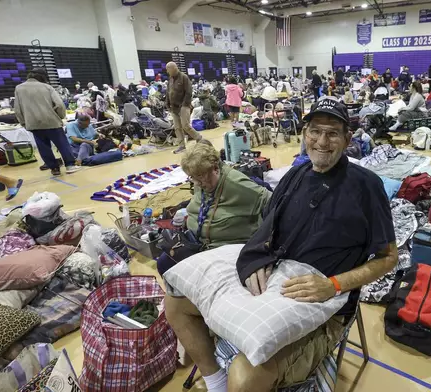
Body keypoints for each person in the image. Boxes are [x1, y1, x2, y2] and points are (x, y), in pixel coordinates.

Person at [164, 99, 397, 392]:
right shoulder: (296, 176)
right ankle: (214, 381)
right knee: (174, 303)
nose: (322, 141)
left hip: (325, 302)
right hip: (276, 276)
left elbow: (388, 257)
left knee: (246, 377)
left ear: (347, 138)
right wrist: (256, 259)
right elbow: (266, 231)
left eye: (333, 133)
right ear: (304, 133)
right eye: (314, 131)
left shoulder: (366, 187)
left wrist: (334, 284)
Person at [156, 142, 271, 275]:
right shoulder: (205, 180)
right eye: (192, 177)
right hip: (197, 242)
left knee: (178, 270)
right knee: (164, 262)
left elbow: (275, 202)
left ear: (215, 168)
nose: (197, 183)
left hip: (222, 249)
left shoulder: (236, 184)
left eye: (200, 177)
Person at [13, 68, 81, 176]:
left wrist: (24, 123)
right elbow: (59, 104)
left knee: (43, 147)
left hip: (34, 123)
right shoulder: (47, 87)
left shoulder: (19, 88)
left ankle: (54, 169)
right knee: (62, 144)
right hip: (51, 121)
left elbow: (17, 109)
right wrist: (60, 116)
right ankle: (70, 165)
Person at [166, 61, 203, 154]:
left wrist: (184, 104)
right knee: (177, 128)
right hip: (173, 108)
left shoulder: (184, 77)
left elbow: (189, 92)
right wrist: (167, 104)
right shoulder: (170, 79)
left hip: (183, 106)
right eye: (168, 70)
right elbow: (168, 92)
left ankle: (199, 138)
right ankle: (182, 146)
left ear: (175, 68)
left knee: (185, 125)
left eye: (171, 69)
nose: (169, 71)